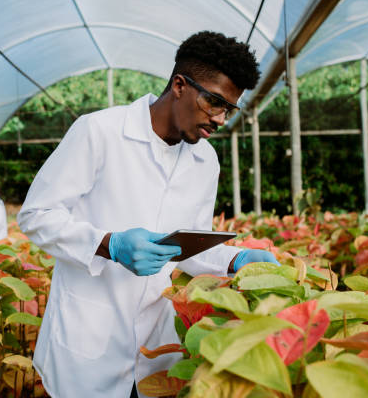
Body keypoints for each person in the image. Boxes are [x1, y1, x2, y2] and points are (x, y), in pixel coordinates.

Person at [17, 31, 280, 398]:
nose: (220, 119)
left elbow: (189, 245)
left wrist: (237, 259)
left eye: (229, 109)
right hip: (88, 339)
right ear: (179, 85)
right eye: (215, 102)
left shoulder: (206, 161)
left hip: (156, 346)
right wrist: (110, 245)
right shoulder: (100, 132)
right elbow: (36, 215)